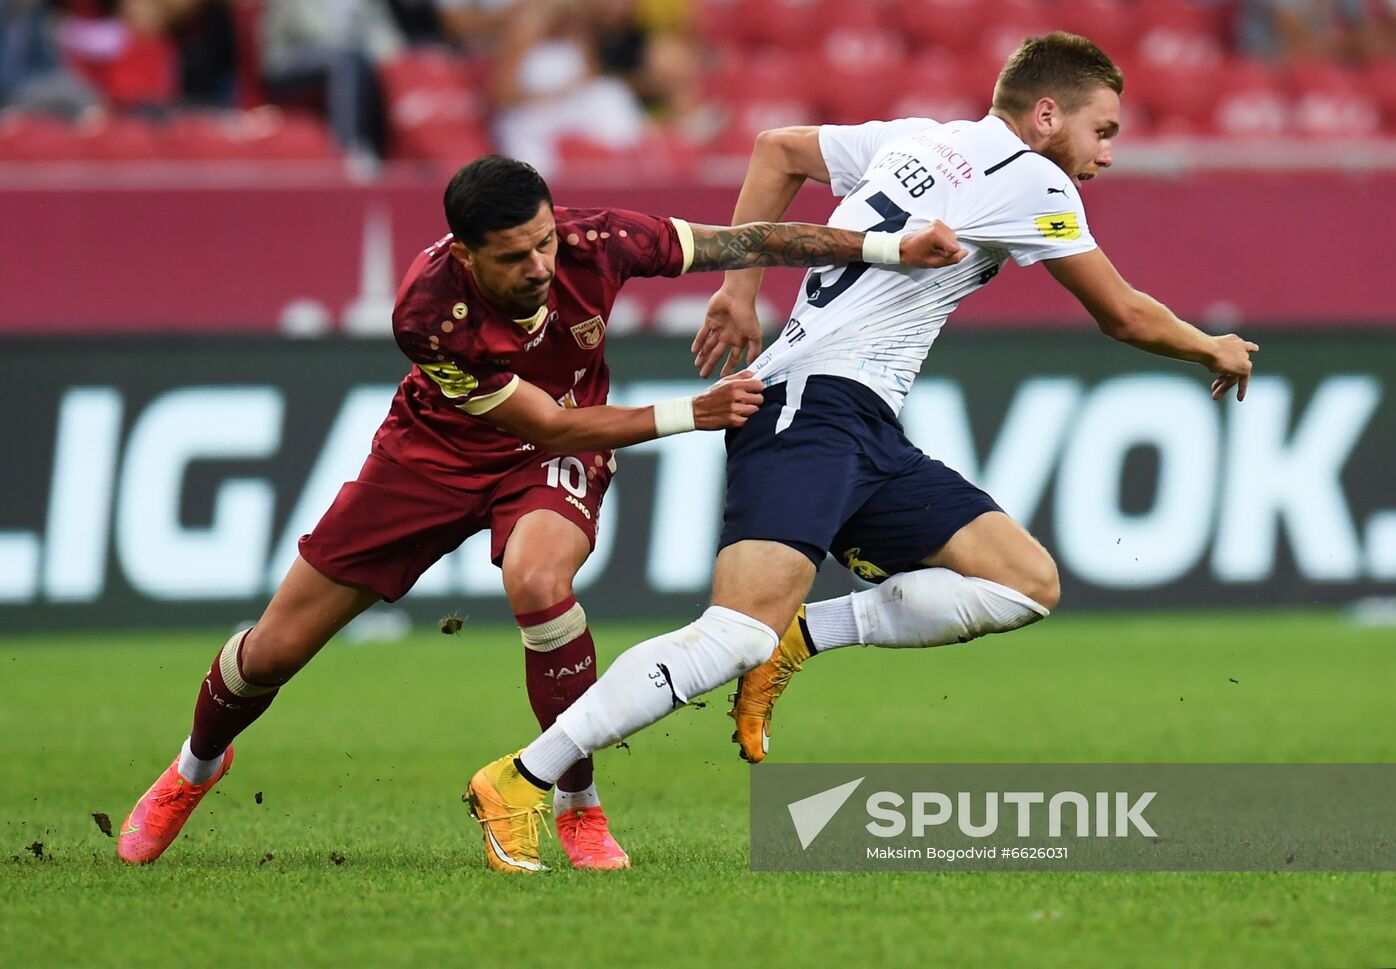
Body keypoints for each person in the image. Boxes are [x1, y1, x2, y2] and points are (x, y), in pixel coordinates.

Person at [467, 32, 1259, 871]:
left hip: (861, 421)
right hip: (810, 406)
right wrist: (1212, 346)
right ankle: (520, 777)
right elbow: (1123, 313)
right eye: (1102, 130)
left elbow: (779, 151)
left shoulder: (916, 138)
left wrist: (740, 293)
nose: (1106, 154)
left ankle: (801, 635)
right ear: (1048, 112)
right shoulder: (1034, 179)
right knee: (732, 632)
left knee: (1025, 582)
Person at [116, 153, 967, 871]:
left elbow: (751, 240)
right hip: (431, 456)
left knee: (538, 575)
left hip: (555, 458)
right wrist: (690, 413)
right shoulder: (427, 312)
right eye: (515, 255)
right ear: (465, 253)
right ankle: (194, 767)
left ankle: (576, 801)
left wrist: (893, 246)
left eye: (545, 241)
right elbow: (544, 417)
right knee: (275, 647)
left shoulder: (600, 241)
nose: (539, 266)